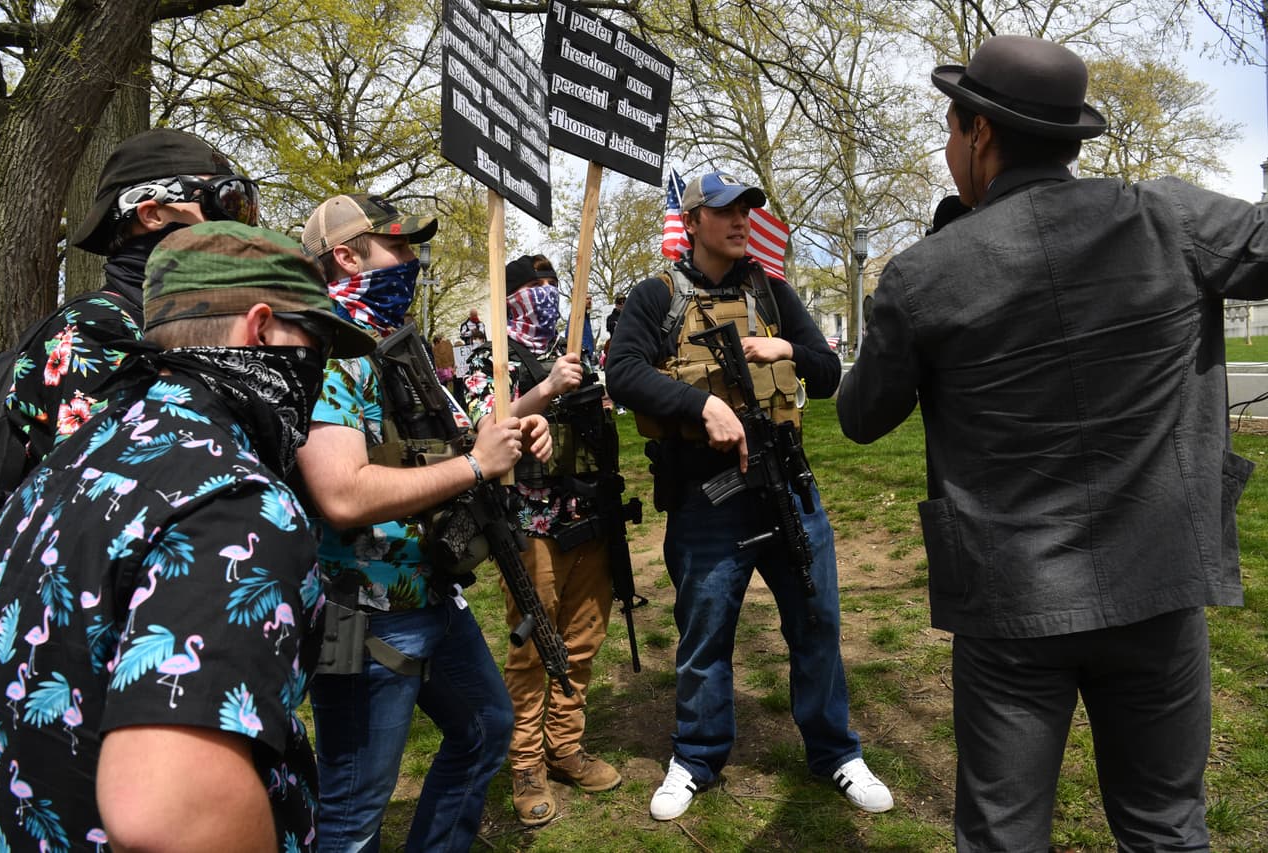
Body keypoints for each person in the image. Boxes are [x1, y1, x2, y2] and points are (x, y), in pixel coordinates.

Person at [836, 35, 1268, 852]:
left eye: (949, 127)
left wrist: (913, 285)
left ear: (980, 135)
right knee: (1167, 826)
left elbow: (860, 415)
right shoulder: (1168, 217)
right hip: (1160, 582)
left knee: (1002, 836)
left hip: (1012, 603)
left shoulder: (926, 273)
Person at [0, 220, 373, 852]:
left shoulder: (73, 457)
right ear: (261, 328)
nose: (318, 367)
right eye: (315, 340)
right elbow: (171, 814)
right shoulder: (234, 501)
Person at [606, 170, 892, 821]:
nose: (741, 220)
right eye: (728, 210)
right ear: (696, 219)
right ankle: (696, 756)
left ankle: (835, 751)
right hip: (707, 499)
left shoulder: (772, 290)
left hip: (788, 486)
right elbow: (621, 372)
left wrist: (784, 343)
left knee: (817, 623)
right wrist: (701, 405)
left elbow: (825, 372)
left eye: (749, 209)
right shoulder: (656, 296)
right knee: (703, 632)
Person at [295, 193, 552, 852]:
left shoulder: (395, 343)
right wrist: (473, 467)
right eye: (399, 247)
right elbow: (342, 493)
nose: (413, 260)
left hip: (433, 591)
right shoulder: (327, 346)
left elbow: (460, 440)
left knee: (486, 729)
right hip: (367, 613)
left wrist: (519, 426)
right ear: (347, 256)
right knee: (353, 814)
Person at [463, 254, 621, 827]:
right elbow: (485, 426)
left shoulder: (573, 351)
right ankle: (526, 762)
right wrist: (548, 388)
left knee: (581, 640)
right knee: (534, 649)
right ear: (509, 295)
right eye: (533, 285)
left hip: (587, 516)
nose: (546, 293)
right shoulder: (492, 357)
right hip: (529, 524)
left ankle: (565, 746)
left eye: (552, 283)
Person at [4, 128, 258, 468]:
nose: (235, 227)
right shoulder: (96, 329)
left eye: (241, 206)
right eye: (221, 201)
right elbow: (101, 493)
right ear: (152, 213)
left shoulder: (186, 325)